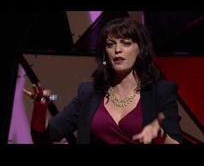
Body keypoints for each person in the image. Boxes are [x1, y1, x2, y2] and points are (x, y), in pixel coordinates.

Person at [23, 17, 183, 144]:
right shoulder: (89, 93)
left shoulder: (161, 91)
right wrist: (40, 108)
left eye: (126, 43)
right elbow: (44, 137)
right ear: (105, 53)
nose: (117, 50)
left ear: (140, 50)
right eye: (110, 44)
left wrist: (160, 137)